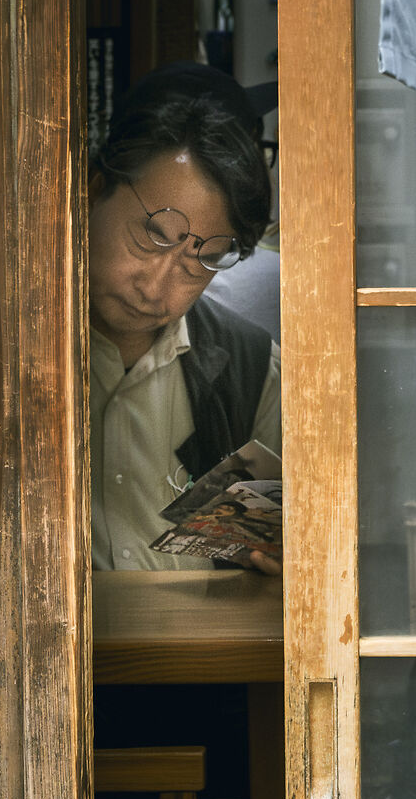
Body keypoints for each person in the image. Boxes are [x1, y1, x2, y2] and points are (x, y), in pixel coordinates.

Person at [89, 65, 279, 573]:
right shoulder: (5, 341)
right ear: (92, 190)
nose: (156, 288)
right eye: (152, 235)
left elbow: (264, 561)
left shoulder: (253, 370)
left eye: (205, 258)